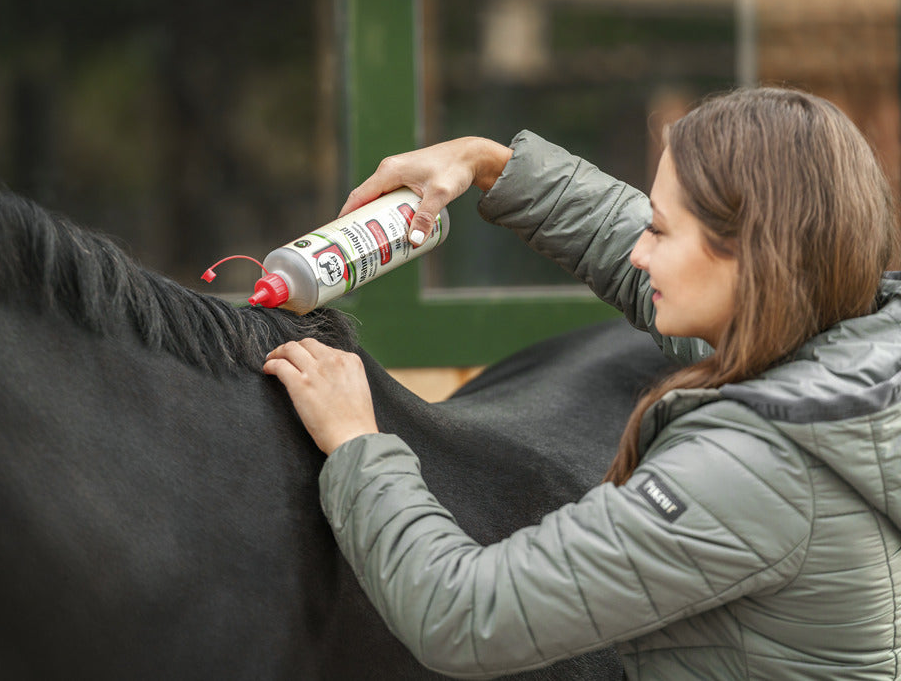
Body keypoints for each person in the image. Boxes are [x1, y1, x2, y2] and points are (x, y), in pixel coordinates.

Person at [262, 87, 901, 679]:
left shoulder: (750, 471)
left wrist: (355, 444)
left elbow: (465, 616)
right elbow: (624, 239)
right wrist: (486, 163)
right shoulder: (850, 348)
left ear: (750, 256)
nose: (640, 252)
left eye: (662, 229)